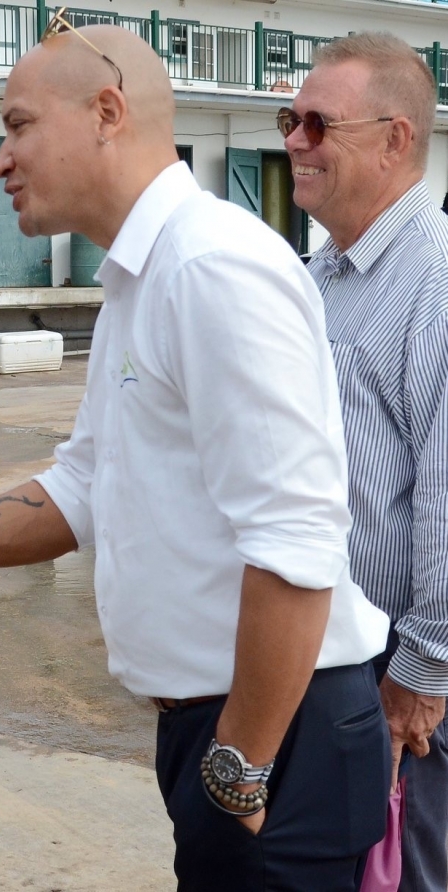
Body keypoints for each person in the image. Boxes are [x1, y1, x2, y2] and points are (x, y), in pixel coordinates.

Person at [0, 19, 393, 890]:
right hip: (231, 728)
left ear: (107, 111)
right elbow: (84, 484)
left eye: (18, 127)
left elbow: (296, 542)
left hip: (280, 737)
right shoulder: (142, 275)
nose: (1, 159)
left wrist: (238, 766)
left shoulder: (211, 267)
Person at [283, 33, 448, 891]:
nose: (296, 141)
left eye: (320, 124)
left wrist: (422, 675)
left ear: (396, 139)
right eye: (291, 120)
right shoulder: (320, 279)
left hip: (408, 684)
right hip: (335, 668)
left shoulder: (436, 281)